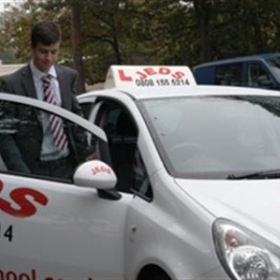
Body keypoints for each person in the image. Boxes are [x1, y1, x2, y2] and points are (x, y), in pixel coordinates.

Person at [0, 19, 94, 180]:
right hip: (33, 170)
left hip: (67, 165)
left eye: (54, 52)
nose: (49, 58)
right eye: (43, 52)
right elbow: (5, 135)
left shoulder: (67, 76)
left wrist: (86, 156)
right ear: (32, 49)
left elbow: (76, 118)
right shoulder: (11, 84)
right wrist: (22, 176)